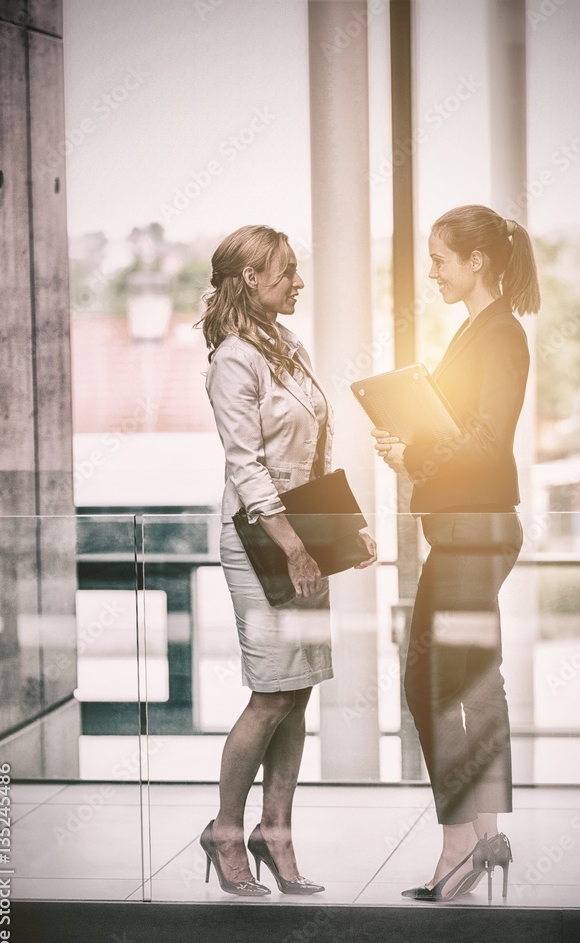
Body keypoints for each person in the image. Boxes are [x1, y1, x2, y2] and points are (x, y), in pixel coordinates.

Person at [199, 224, 376, 896]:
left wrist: (345, 529)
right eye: (287, 272)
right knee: (271, 693)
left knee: (296, 693)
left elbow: (316, 458)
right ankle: (224, 832)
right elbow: (247, 468)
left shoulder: (288, 348)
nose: (298, 282)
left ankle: (275, 836)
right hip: (259, 545)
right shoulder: (234, 360)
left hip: (300, 539)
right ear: (250, 277)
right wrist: (298, 547)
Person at [372, 204, 540, 902]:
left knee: (431, 684)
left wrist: (415, 451)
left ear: (478, 262)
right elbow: (461, 434)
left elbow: (485, 440)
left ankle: (461, 843)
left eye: (440, 258)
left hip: (475, 531)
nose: (433, 270)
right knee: (469, 681)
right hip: (465, 528)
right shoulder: (477, 330)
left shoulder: (499, 335)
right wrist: (407, 449)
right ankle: (482, 838)